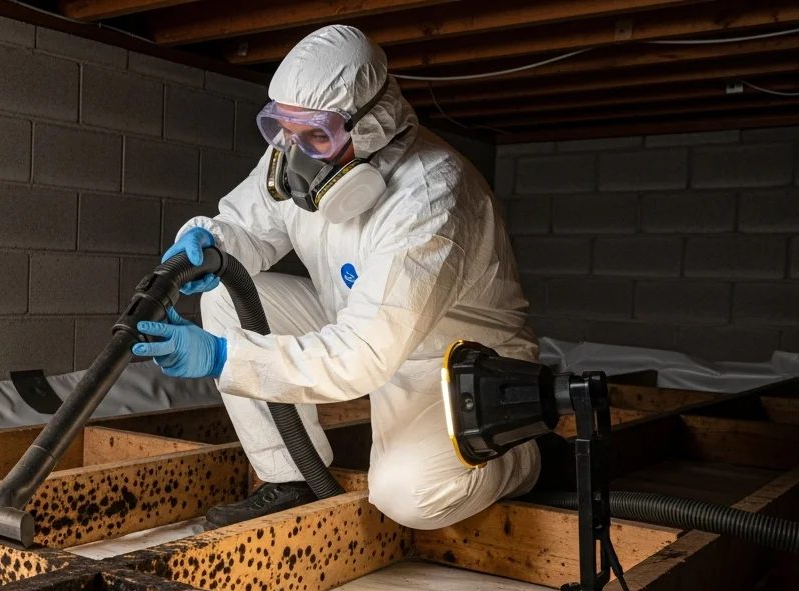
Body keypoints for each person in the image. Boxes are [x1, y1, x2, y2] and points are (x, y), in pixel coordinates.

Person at [134, 25, 539, 531]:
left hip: (452, 360)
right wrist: (212, 245)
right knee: (228, 290)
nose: (293, 152)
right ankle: (292, 476)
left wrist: (224, 356)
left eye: (316, 136)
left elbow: (363, 355)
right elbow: (248, 224)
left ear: (370, 128)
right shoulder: (297, 144)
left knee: (408, 495)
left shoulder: (432, 196)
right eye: (281, 128)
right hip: (361, 321)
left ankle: (523, 454)